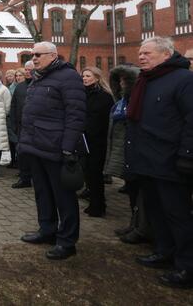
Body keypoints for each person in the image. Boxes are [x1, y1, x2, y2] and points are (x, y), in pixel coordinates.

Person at [124, 37, 193, 289]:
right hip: (146, 159)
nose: (141, 57)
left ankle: (187, 266)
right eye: (140, 53)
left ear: (166, 54)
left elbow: (191, 119)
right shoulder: (145, 80)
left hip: (171, 161)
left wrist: (187, 155)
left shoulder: (184, 80)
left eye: (147, 53)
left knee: (178, 214)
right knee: (155, 211)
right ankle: (164, 252)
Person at [18, 42, 86, 261]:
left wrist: (67, 147)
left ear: (53, 55)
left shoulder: (68, 77)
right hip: (36, 146)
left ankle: (67, 241)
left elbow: (75, 115)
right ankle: (47, 230)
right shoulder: (39, 78)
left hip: (56, 147)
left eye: (38, 55)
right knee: (42, 192)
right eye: (32, 54)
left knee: (63, 197)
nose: (34, 58)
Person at [104, 65, 150, 244]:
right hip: (124, 149)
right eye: (120, 81)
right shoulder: (120, 101)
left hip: (137, 151)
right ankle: (134, 223)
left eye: (125, 81)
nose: (122, 84)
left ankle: (141, 227)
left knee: (140, 192)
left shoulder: (137, 100)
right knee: (132, 191)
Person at [81, 67, 114, 217]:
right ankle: (94, 202)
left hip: (97, 140)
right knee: (88, 173)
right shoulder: (84, 93)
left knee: (95, 174)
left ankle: (98, 205)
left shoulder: (104, 96)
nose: (85, 78)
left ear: (96, 77)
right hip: (85, 139)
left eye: (88, 76)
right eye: (83, 76)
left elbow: (98, 120)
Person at [10, 64, 33, 188]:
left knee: (33, 155)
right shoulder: (20, 87)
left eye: (30, 70)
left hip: (35, 127)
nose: (28, 72)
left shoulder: (39, 84)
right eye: (27, 70)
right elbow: (13, 106)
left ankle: (36, 177)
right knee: (22, 153)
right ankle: (24, 178)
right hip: (21, 126)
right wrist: (13, 123)